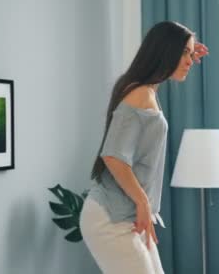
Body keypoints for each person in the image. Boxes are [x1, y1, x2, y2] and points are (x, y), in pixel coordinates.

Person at [79, 21, 208, 274]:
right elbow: (113, 156)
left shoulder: (144, 89)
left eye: (190, 53)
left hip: (126, 215)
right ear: (164, 51)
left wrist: (186, 52)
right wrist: (143, 203)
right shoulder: (139, 93)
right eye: (184, 52)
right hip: (110, 217)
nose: (190, 60)